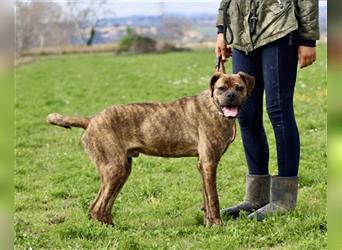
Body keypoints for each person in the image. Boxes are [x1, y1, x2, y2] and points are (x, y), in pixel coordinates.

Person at [215, 0, 319, 221]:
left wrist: (308, 38)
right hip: (241, 33)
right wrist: (222, 30)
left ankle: (283, 199)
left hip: (280, 28)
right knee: (247, 115)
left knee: (278, 110)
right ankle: (256, 197)